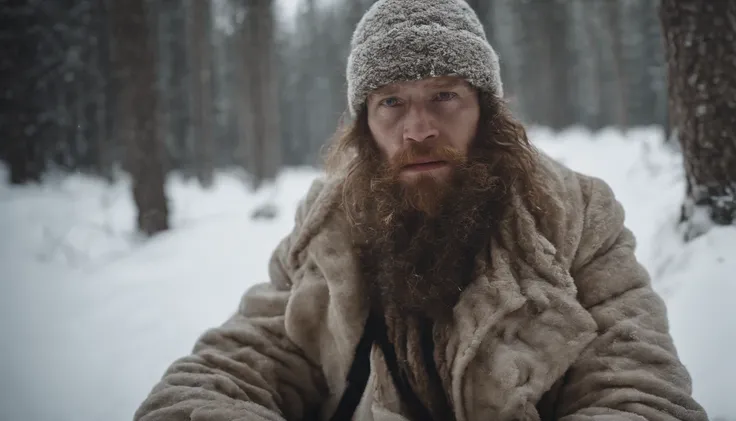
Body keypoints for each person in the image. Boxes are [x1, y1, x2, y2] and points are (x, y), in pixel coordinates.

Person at [134, 1, 708, 420]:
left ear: (486, 109)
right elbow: (240, 361)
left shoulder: (575, 215)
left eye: (444, 95)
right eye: (392, 103)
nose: (419, 129)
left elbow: (640, 391)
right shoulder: (329, 227)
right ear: (364, 125)